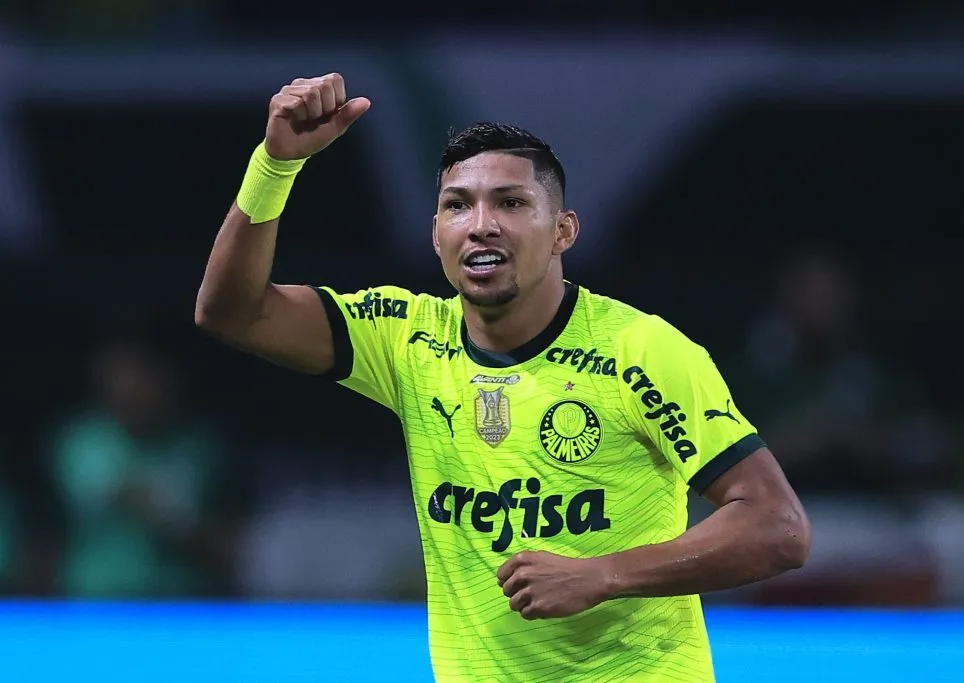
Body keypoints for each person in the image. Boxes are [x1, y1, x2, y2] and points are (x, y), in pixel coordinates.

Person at [195, 73, 811, 682]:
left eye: (511, 203)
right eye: (457, 206)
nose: (481, 223)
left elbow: (776, 526)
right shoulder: (405, 339)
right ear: (437, 236)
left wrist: (605, 574)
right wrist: (274, 165)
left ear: (563, 231)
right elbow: (231, 312)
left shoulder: (641, 350)